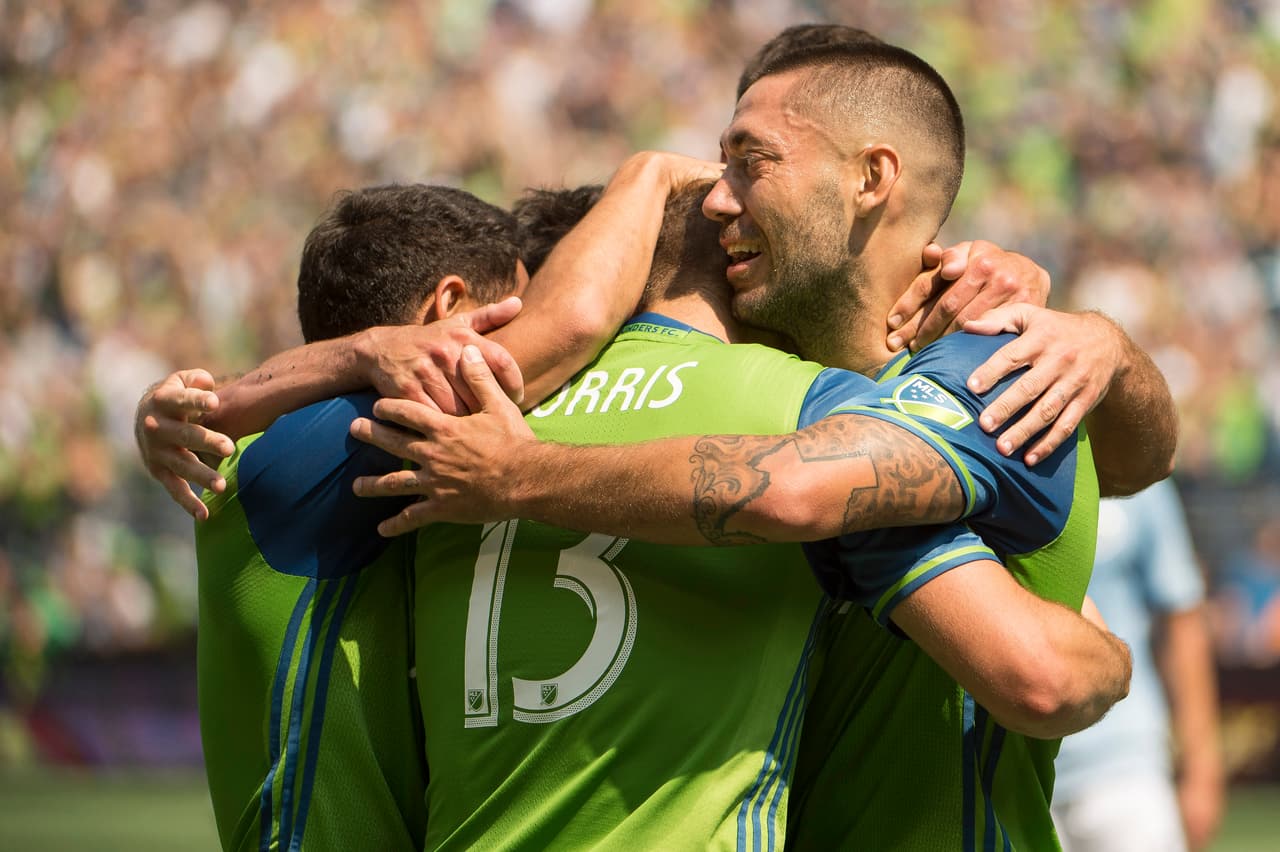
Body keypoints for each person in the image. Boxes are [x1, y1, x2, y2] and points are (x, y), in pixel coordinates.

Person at [346, 38, 1175, 850]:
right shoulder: (801, 395)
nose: (717, 200)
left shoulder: (981, 372)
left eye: (753, 162)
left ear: (870, 178)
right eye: (721, 165)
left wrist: (1108, 345)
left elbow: (1046, 636)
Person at [191, 183, 528, 852]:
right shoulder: (312, 451)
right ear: (451, 307)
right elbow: (578, 322)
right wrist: (652, 178)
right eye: (519, 311)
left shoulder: (309, 445)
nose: (525, 340)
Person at [1052, 480, 1224, 852]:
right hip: (1009, 768)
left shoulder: (1135, 473)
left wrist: (1202, 767)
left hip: (1124, 765)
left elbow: (1182, 620)